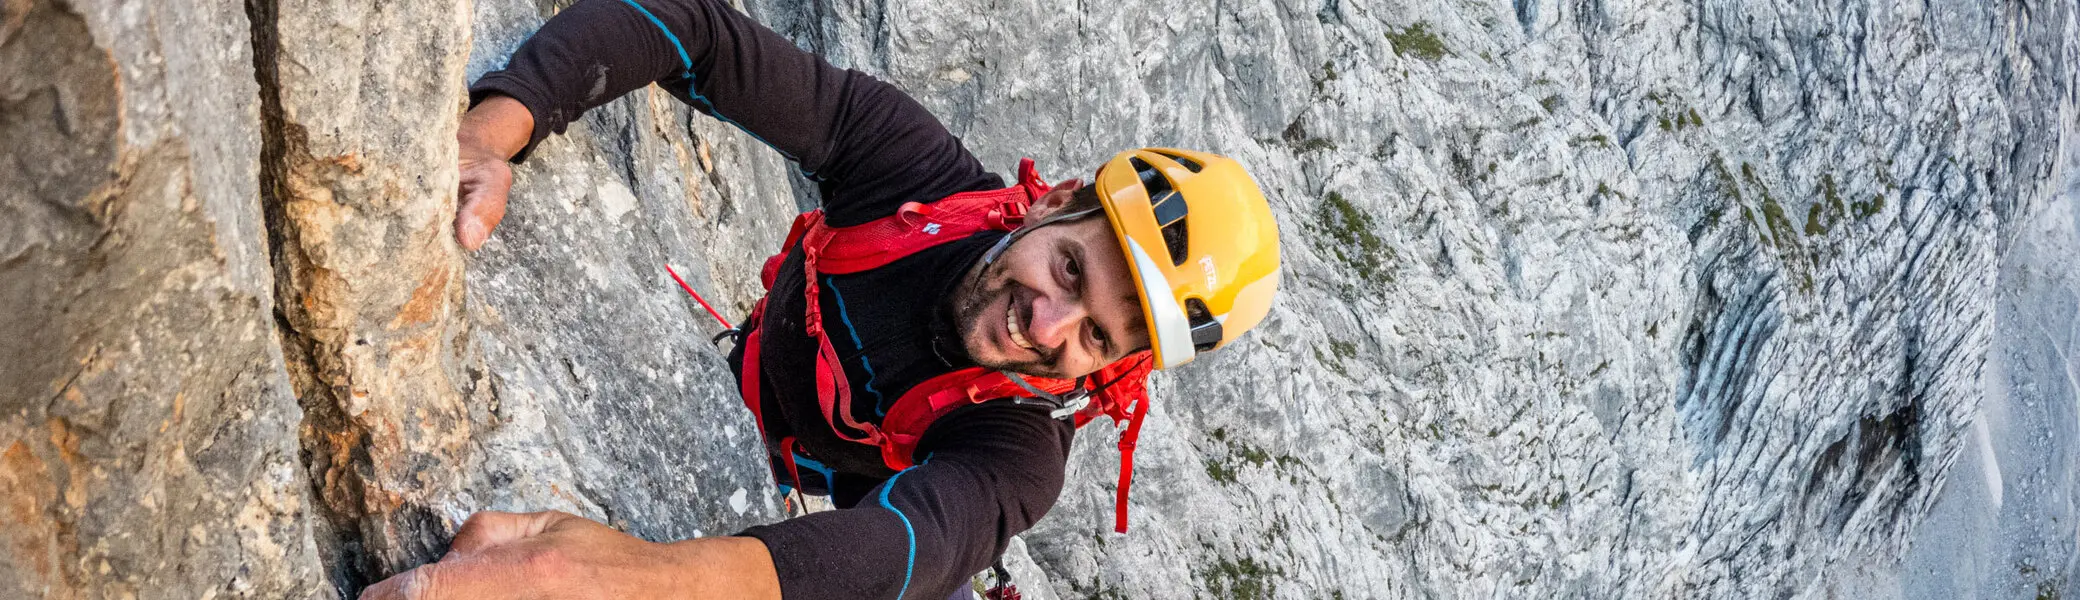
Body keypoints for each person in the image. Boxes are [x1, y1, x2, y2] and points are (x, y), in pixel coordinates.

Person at [362, 0, 1280, 598]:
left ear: (1118, 365)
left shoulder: (1019, 453)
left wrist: (635, 581)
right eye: (1072, 272)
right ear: (1053, 201)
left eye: (1096, 337)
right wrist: (502, 121)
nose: (1046, 324)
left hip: (848, 514)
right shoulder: (913, 176)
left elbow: (905, 551)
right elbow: (692, 33)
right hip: (758, 385)